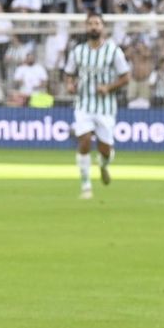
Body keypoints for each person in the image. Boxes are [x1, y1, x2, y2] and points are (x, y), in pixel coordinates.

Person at [64, 12, 130, 199]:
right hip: (83, 104)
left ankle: (103, 164)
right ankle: (86, 185)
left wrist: (108, 87)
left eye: (97, 23)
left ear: (103, 27)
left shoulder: (113, 51)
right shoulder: (78, 51)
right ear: (86, 27)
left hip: (105, 107)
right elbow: (69, 73)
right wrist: (70, 84)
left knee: (105, 149)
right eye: (90, 23)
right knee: (84, 140)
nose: (93, 27)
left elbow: (126, 77)